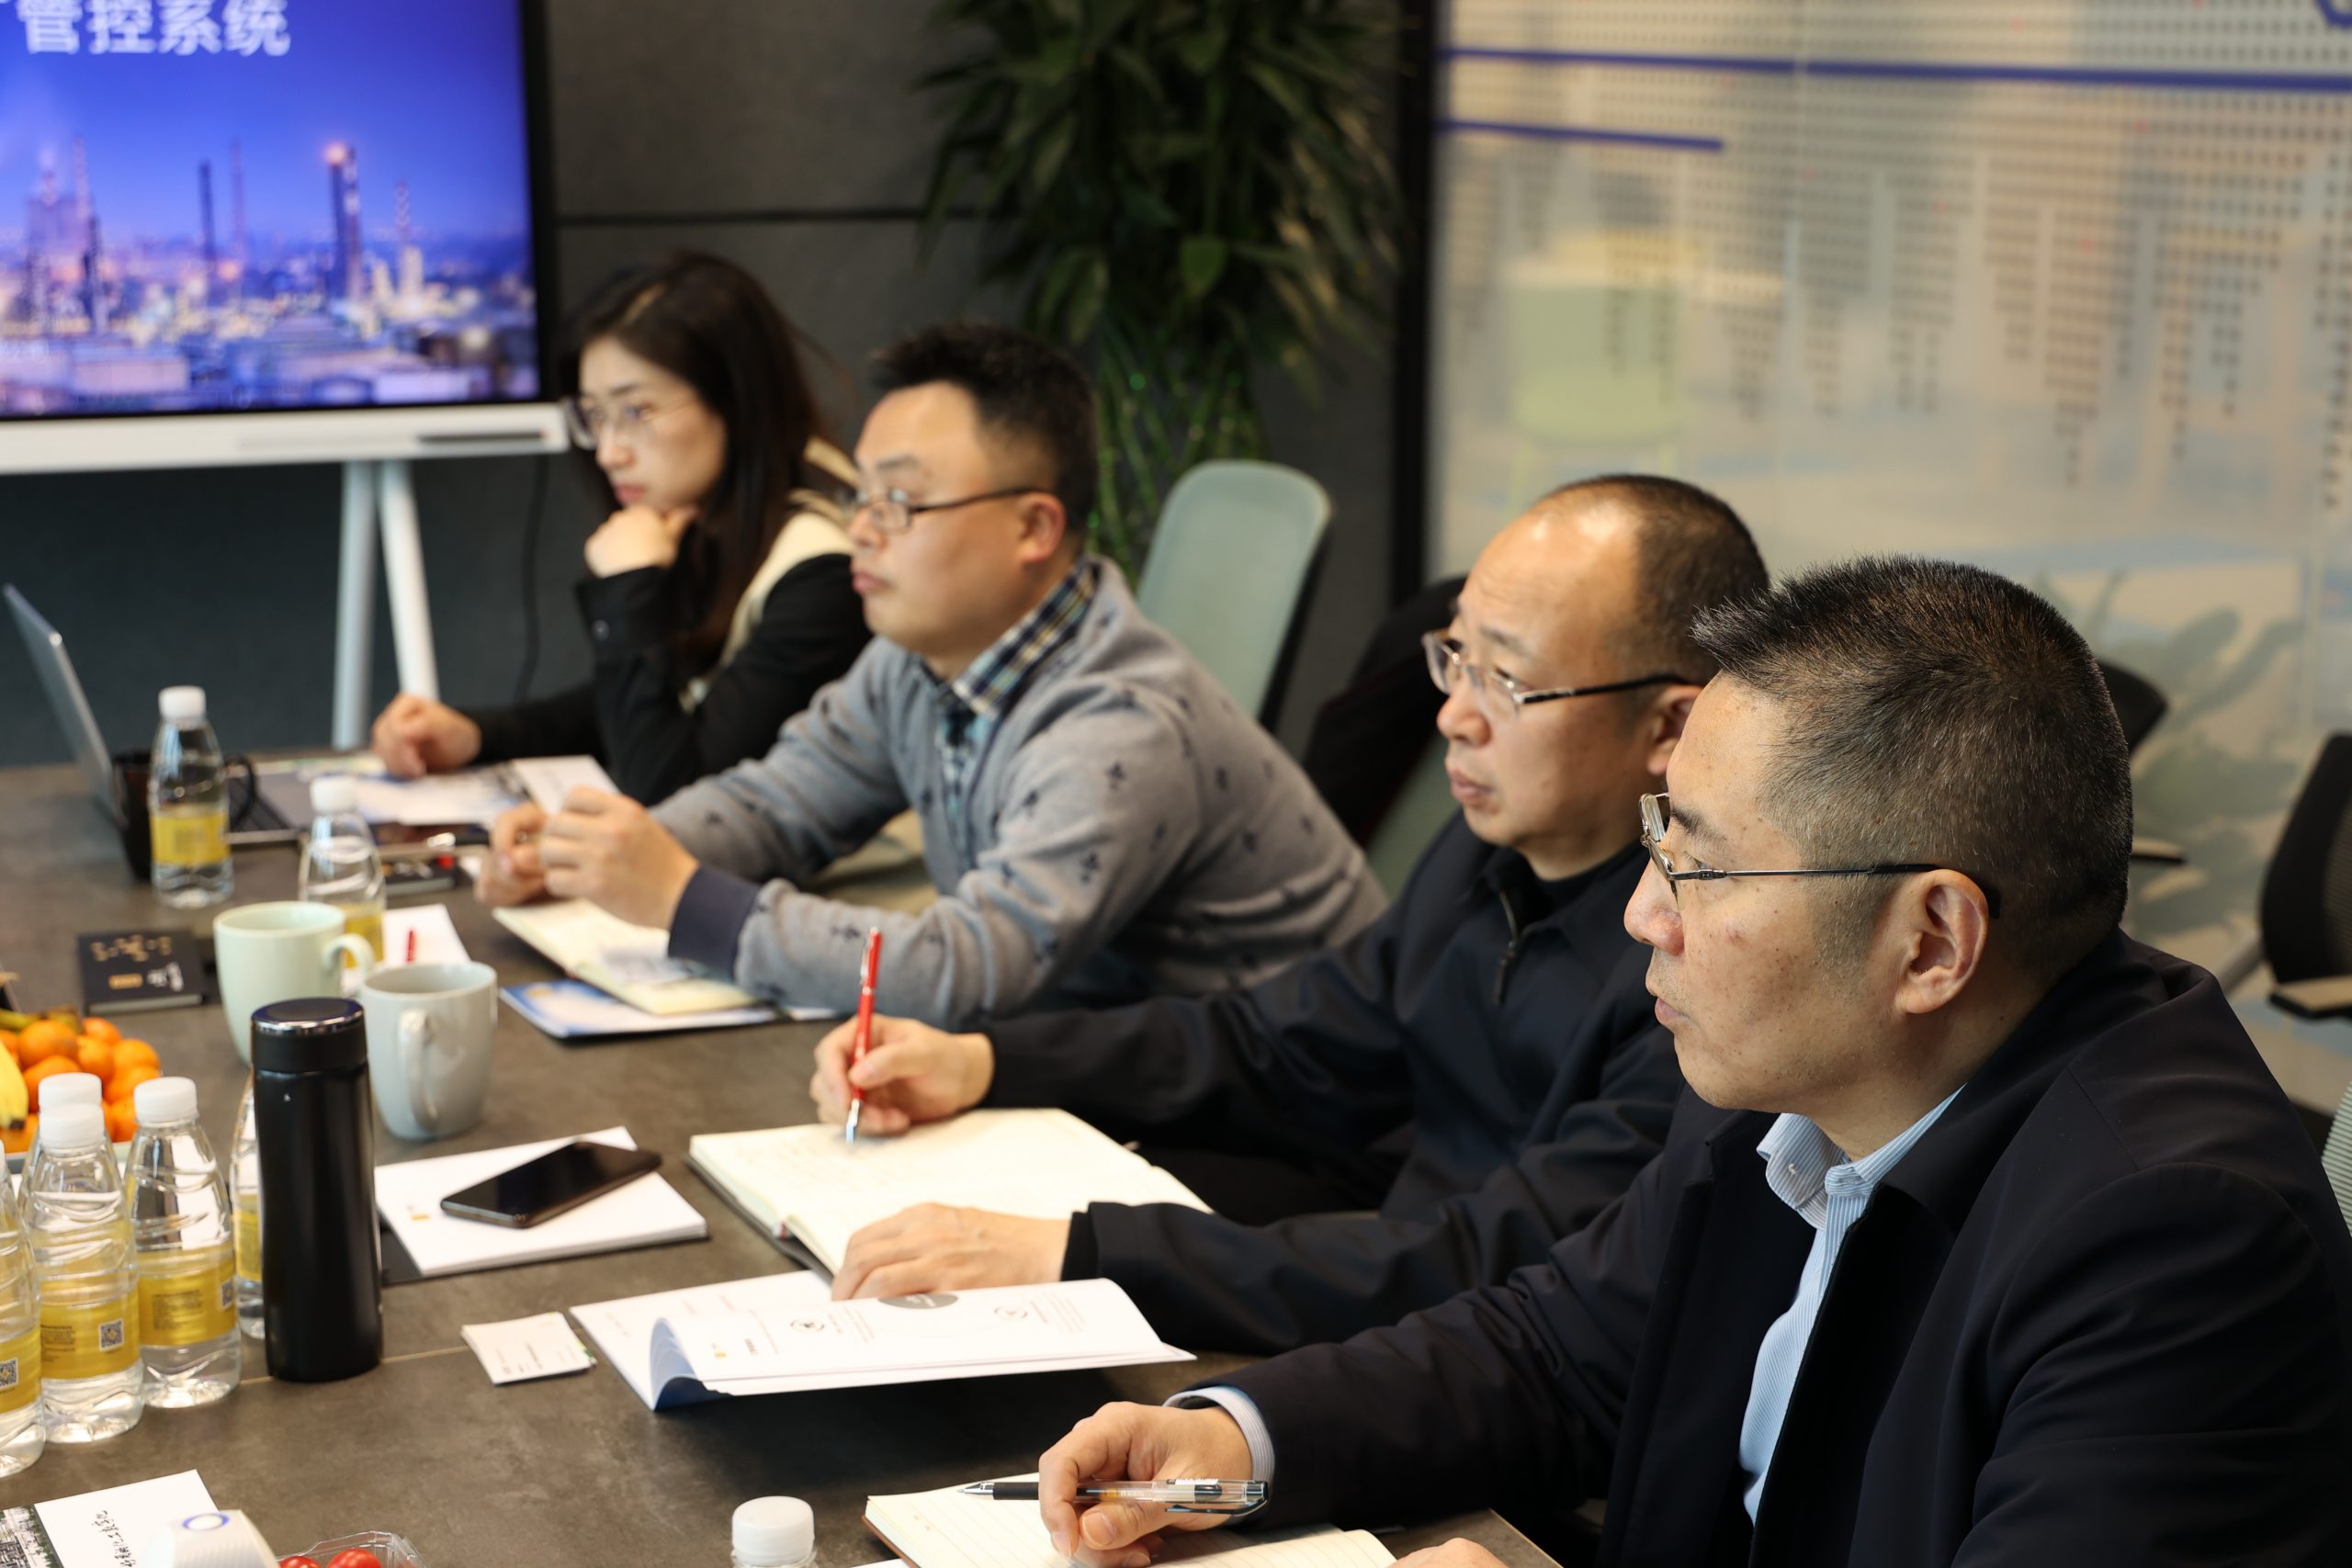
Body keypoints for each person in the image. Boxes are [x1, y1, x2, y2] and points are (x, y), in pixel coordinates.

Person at [1029, 557, 2352, 1567]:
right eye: (1658, 843)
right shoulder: (1797, 1082)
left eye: (1700, 867)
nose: (1641, 915)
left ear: (1931, 940)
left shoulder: (2176, 1242)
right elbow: (1551, 1350)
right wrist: (1233, 1440)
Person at [808, 479, 1771, 1358]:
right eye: (1456, 657)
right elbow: (1278, 1041)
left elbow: (1499, 1261)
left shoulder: (1694, 966)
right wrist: (984, 1061)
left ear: (1669, 727)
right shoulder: (1494, 846)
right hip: (1398, 1307)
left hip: (1496, 1366)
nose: (1453, 716)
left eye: (1507, 682)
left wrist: (1084, 1256)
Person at [476, 322, 1386, 1027]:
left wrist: (680, 896)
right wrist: (602, 851)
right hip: (1106, 1054)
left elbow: (968, 969)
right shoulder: (914, 658)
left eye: (902, 500)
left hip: (1280, 1105)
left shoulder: (1118, 722)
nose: (862, 530)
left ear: (1034, 527)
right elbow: (777, 804)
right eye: (862, 495)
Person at [370, 253, 869, 805]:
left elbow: (672, 791)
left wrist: (631, 590)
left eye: (635, 412)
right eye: (594, 415)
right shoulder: (711, 521)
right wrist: (481, 735)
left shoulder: (826, 573)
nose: (609, 453)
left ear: (734, 401)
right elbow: (663, 703)